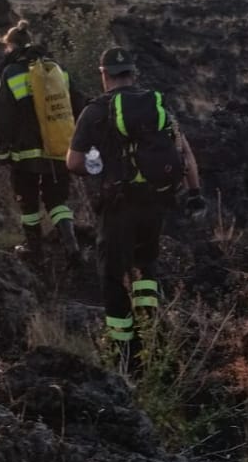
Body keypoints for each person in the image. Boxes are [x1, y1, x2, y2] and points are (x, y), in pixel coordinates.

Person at [66, 46, 204, 364]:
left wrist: (95, 166)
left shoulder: (95, 111)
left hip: (117, 207)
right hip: (155, 202)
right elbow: (184, 153)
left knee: (112, 276)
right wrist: (195, 194)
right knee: (145, 266)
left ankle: (124, 352)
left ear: (104, 74)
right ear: (133, 72)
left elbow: (73, 162)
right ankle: (150, 334)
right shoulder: (157, 105)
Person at [0, 20, 85, 266]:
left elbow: (3, 115)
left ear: (11, 46)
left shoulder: (11, 72)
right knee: (57, 200)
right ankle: (72, 246)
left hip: (25, 153)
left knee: (28, 200)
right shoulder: (57, 69)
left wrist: (2, 150)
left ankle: (33, 249)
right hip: (58, 147)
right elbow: (77, 105)